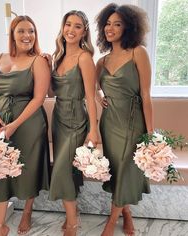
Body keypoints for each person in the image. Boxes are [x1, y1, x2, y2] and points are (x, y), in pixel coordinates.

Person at [0, 15, 51, 236]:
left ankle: (27, 212)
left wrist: (15, 124)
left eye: (31, 31)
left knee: (28, 169)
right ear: (12, 34)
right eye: (22, 31)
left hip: (28, 124)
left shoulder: (38, 61)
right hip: (1, 124)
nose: (27, 35)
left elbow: (39, 98)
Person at [95, 3, 153, 236]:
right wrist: (100, 97)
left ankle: (111, 222)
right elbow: (92, 88)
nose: (111, 28)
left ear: (128, 27)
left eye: (117, 24)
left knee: (128, 168)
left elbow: (146, 96)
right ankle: (126, 213)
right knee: (117, 170)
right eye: (107, 23)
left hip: (132, 121)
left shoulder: (138, 52)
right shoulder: (102, 61)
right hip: (109, 123)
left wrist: (150, 134)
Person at [48, 10, 98, 236]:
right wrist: (44, 65)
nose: (71, 30)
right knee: (67, 169)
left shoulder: (84, 57)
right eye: (68, 24)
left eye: (77, 26)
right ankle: (73, 212)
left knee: (60, 170)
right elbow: (50, 92)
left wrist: (93, 129)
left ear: (84, 31)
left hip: (77, 118)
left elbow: (90, 96)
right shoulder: (56, 56)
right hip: (58, 117)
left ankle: (72, 223)